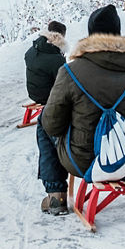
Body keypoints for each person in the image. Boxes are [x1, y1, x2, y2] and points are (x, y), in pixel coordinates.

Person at [42, 5, 125, 190]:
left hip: (85, 163)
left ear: (91, 36)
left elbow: (52, 125)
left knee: (43, 120)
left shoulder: (69, 72)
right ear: (118, 34)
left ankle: (55, 193)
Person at [24, 20, 70, 215]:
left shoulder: (31, 51)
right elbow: (64, 84)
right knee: (52, 130)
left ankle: (54, 194)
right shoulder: (57, 60)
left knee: (44, 130)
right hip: (50, 96)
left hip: (34, 93)